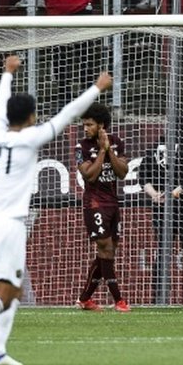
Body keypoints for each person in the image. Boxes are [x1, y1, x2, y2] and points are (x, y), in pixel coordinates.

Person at [0, 56, 111, 365]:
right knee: (7, 292)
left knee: (7, 289)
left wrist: (7, 74)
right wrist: (96, 87)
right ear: (30, 117)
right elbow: (67, 114)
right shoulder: (30, 138)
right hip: (7, 225)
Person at [138, 118, 183, 306]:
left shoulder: (155, 146)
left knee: (162, 252)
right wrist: (173, 193)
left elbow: (142, 175)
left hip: (160, 207)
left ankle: (158, 299)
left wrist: (155, 194)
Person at [74, 101, 129, 312]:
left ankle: (85, 299)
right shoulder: (82, 147)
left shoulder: (117, 142)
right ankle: (119, 300)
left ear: (101, 125)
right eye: (84, 125)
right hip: (93, 203)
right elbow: (89, 174)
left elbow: (123, 172)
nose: (85, 128)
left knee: (109, 251)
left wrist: (109, 151)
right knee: (105, 247)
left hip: (113, 204)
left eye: (89, 124)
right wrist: (103, 153)